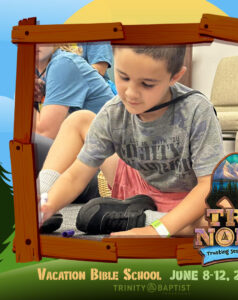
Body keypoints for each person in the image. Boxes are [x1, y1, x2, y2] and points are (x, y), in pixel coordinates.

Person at [39, 45, 224, 237]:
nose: (131, 93)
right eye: (124, 77)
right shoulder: (113, 112)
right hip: (135, 182)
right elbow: (76, 176)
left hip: (186, 200)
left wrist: (156, 230)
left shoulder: (196, 110)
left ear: (175, 77)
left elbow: (207, 185)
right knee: (79, 119)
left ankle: (143, 219)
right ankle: (36, 200)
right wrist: (44, 206)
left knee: (220, 222)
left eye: (147, 84)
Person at [34, 44, 114, 139]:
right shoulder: (39, 70)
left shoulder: (62, 63)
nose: (35, 44)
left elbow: (45, 133)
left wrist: (22, 96)